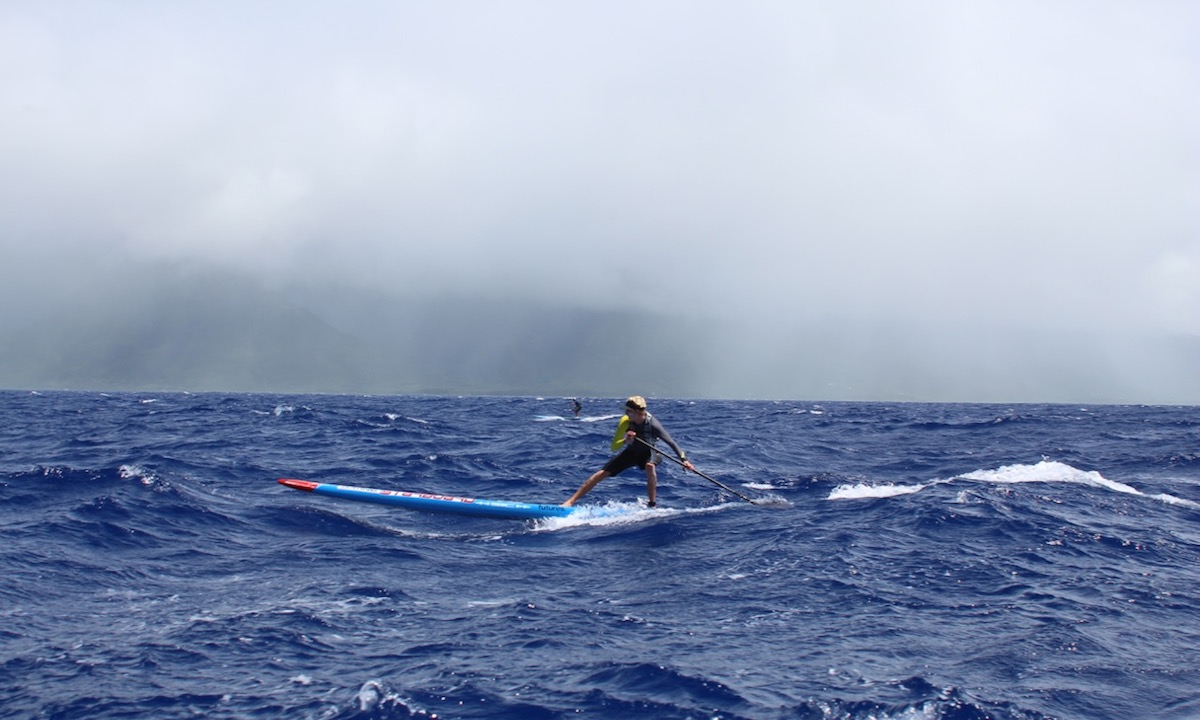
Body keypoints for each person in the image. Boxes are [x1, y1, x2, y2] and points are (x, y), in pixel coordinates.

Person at [562, 395, 694, 507]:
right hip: (631, 452)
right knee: (602, 473)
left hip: (650, 452)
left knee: (649, 466)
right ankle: (569, 502)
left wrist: (684, 460)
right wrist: (626, 440)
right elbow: (614, 447)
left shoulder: (653, 425)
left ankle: (652, 504)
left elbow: (672, 443)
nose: (625, 414)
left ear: (637, 412)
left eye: (628, 411)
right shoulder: (625, 421)